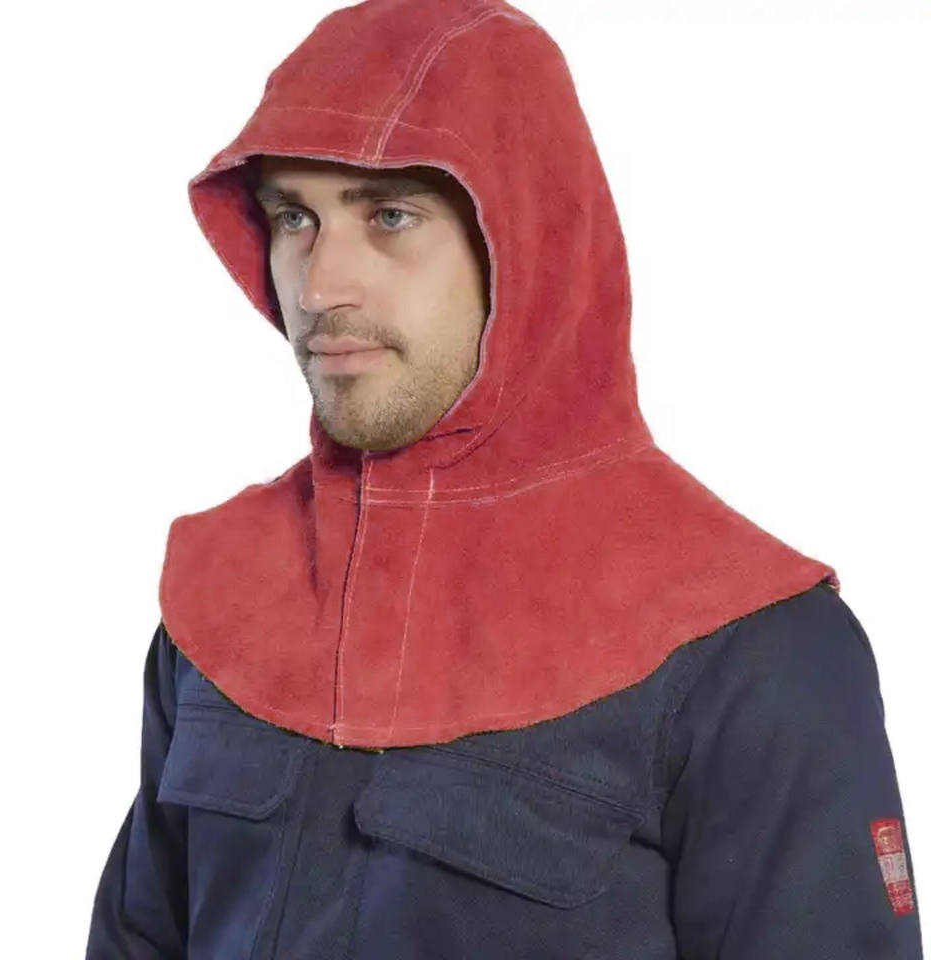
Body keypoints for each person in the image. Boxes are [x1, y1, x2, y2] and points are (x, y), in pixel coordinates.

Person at [84, 0, 922, 956]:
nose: (318, 286)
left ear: (528, 243)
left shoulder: (754, 647)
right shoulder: (222, 598)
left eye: (390, 215)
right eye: (295, 217)